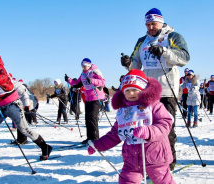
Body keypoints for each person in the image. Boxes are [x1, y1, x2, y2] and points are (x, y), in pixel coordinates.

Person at [120, 8, 190, 171]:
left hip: (167, 90)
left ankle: (168, 162)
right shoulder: (141, 40)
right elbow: (136, 64)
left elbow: (184, 58)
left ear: (161, 22)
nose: (151, 27)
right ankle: (151, 160)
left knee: (165, 129)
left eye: (153, 24)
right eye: (148, 24)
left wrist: (164, 51)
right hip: (147, 91)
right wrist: (128, 63)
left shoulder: (173, 36)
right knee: (147, 127)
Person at [88, 69, 175, 184]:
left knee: (163, 180)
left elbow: (165, 124)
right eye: (127, 91)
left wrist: (149, 131)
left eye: (135, 90)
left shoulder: (154, 106)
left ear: (143, 89)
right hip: (132, 158)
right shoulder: (123, 112)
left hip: (155, 156)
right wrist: (98, 145)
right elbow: (115, 134)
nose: (131, 94)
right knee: (127, 180)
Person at [65, 58, 106, 144]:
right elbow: (77, 83)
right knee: (88, 118)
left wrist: (93, 80)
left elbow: (103, 82)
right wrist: (69, 80)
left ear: (88, 65)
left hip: (96, 97)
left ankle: (95, 139)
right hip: (88, 98)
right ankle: (89, 138)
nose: (83, 68)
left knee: (92, 117)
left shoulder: (95, 71)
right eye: (82, 66)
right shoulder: (83, 74)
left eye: (84, 66)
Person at [10, 77, 39, 145]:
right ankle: (20, 139)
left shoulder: (17, 87)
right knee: (19, 122)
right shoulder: (14, 86)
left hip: (27, 105)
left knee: (21, 123)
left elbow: (26, 97)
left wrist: (27, 107)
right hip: (23, 105)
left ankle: (23, 140)